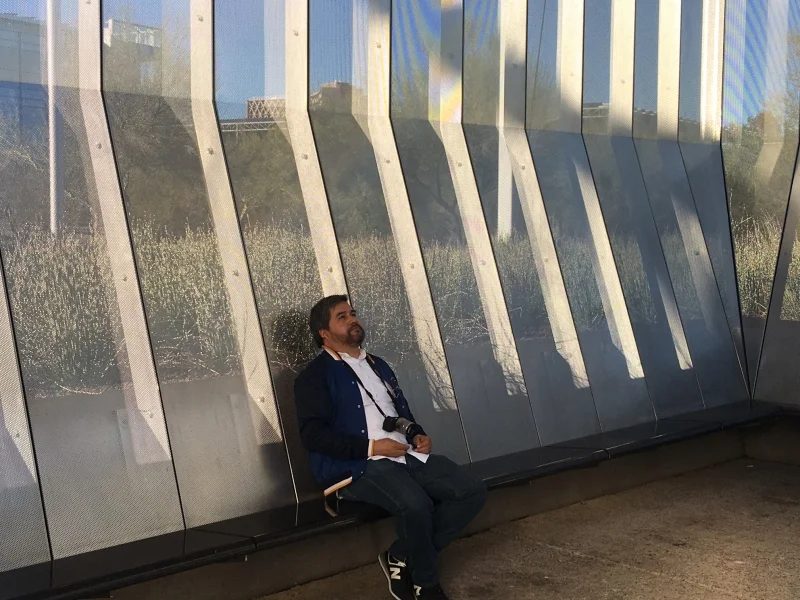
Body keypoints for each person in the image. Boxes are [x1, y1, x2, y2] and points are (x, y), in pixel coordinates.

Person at [294, 295, 487, 600]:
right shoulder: (314, 377)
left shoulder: (378, 365)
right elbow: (313, 435)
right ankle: (426, 583)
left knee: (471, 490)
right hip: (358, 466)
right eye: (342, 317)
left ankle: (399, 555)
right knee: (417, 505)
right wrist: (371, 446)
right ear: (324, 332)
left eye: (353, 313)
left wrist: (416, 435)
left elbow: (399, 411)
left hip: (404, 454)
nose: (353, 319)